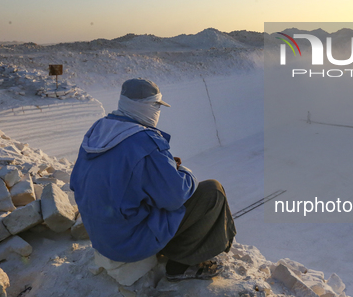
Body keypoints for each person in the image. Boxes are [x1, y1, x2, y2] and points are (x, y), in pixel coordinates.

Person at [70, 78, 236, 280]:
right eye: (157, 105)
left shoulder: (99, 130)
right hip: (128, 243)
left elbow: (80, 182)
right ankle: (183, 264)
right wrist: (186, 172)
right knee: (213, 191)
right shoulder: (145, 141)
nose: (158, 111)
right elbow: (176, 196)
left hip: (102, 236)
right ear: (147, 106)